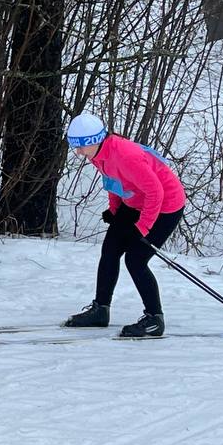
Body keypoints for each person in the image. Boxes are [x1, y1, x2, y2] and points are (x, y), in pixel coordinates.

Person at [63, 112, 187, 338]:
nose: (78, 152)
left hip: (165, 205)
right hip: (136, 202)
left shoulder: (124, 155)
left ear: (93, 140)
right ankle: (100, 310)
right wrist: (114, 210)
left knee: (136, 259)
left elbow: (155, 192)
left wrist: (143, 227)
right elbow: (113, 181)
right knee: (110, 250)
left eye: (79, 146)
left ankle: (154, 319)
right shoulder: (98, 153)